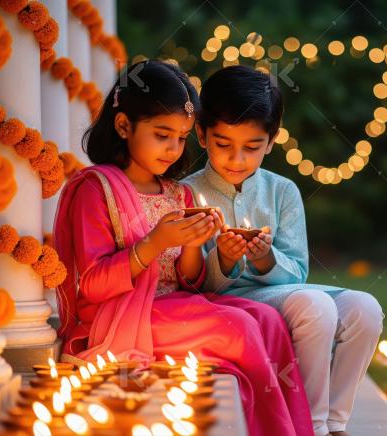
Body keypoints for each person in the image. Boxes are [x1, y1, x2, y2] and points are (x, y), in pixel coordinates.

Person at [53, 60, 312, 436]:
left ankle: (297, 430)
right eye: (162, 135)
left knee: (267, 319)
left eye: (181, 137)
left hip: (175, 307)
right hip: (124, 317)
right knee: (238, 325)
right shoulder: (97, 189)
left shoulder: (177, 192)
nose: (174, 149)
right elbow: (92, 284)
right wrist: (156, 242)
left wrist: (192, 245)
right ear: (124, 125)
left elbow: (190, 282)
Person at [184, 65, 384, 436]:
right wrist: (224, 258)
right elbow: (190, 281)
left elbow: (298, 272)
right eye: (224, 144)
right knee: (316, 307)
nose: (237, 159)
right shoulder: (185, 193)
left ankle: (336, 422)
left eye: (253, 147)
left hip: (279, 291)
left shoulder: (283, 191)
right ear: (201, 134)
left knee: (365, 309)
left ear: (272, 141)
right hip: (226, 300)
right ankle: (312, 427)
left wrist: (264, 257)